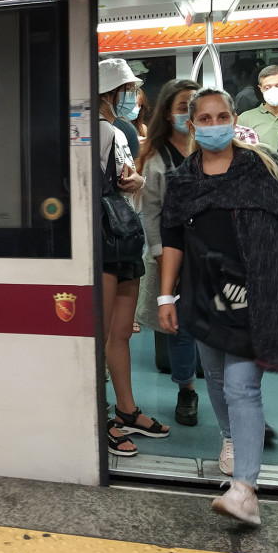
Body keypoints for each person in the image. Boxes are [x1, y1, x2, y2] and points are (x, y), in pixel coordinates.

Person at [159, 87, 278, 526]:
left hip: (256, 294)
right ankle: (231, 439)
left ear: (233, 118)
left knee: (242, 386)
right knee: (216, 379)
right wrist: (166, 295)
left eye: (222, 116)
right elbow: (173, 239)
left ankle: (245, 490)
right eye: (205, 118)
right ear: (192, 123)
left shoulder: (260, 167)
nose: (214, 125)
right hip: (204, 295)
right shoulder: (183, 179)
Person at [98, 59, 167, 458]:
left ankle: (126, 409)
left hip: (123, 233)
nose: (132, 97)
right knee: (102, 334)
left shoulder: (121, 131)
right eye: (126, 90)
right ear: (110, 94)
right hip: (107, 238)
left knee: (120, 331)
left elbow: (128, 186)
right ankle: (100, 414)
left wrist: (137, 183)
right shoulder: (95, 132)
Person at [136, 79, 201, 427]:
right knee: (181, 329)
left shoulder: (214, 148)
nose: (189, 115)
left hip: (215, 256)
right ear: (167, 112)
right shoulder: (157, 159)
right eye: (182, 107)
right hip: (173, 257)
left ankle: (235, 393)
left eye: (195, 106)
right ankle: (186, 390)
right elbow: (151, 216)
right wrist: (165, 265)